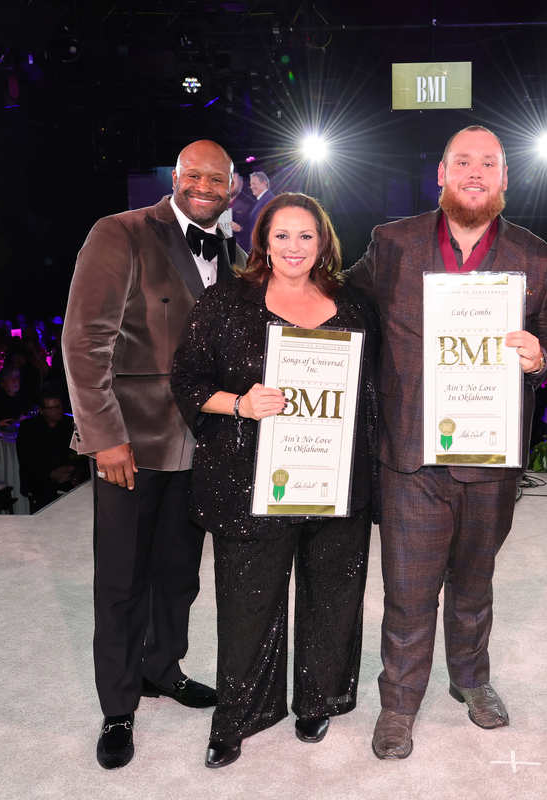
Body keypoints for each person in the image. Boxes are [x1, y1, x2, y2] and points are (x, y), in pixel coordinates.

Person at [349, 125, 547, 760]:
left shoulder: (537, 257)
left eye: (489, 163)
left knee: (475, 580)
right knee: (409, 588)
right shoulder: (391, 245)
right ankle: (398, 703)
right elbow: (341, 312)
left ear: (505, 180)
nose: (475, 172)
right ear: (439, 174)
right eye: (462, 161)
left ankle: (471, 682)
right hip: (411, 454)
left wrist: (539, 354)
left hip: (492, 456)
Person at [171, 192, 379, 769]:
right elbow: (186, 379)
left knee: (335, 592)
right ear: (262, 241)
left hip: (336, 478)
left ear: (324, 243)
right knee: (247, 603)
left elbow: (374, 392)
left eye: (306, 236)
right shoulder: (224, 304)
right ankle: (237, 715)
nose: (293, 247)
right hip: (247, 482)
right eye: (281, 235)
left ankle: (316, 698)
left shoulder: (355, 306)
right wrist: (240, 403)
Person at [63, 139, 243, 770]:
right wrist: (103, 435)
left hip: (204, 447)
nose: (203, 185)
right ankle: (117, 706)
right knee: (120, 580)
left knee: (177, 575)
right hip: (130, 445)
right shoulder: (121, 233)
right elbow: (84, 340)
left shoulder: (238, 253)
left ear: (231, 188)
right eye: (192, 174)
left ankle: (162, 668)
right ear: (174, 178)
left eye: (215, 178)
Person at [16, 389, 83, 511]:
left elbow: (82, 453)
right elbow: (26, 459)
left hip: (70, 473)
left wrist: (72, 468)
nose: (57, 410)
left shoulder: (70, 424)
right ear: (41, 410)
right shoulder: (29, 427)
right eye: (52, 408)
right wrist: (50, 474)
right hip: (41, 476)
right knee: (46, 493)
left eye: (59, 406)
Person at [227, 172, 257, 253]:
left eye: (233, 181)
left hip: (241, 249)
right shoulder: (219, 202)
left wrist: (241, 229)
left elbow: (256, 228)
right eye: (229, 181)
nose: (231, 184)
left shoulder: (250, 203)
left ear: (241, 184)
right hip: (222, 248)